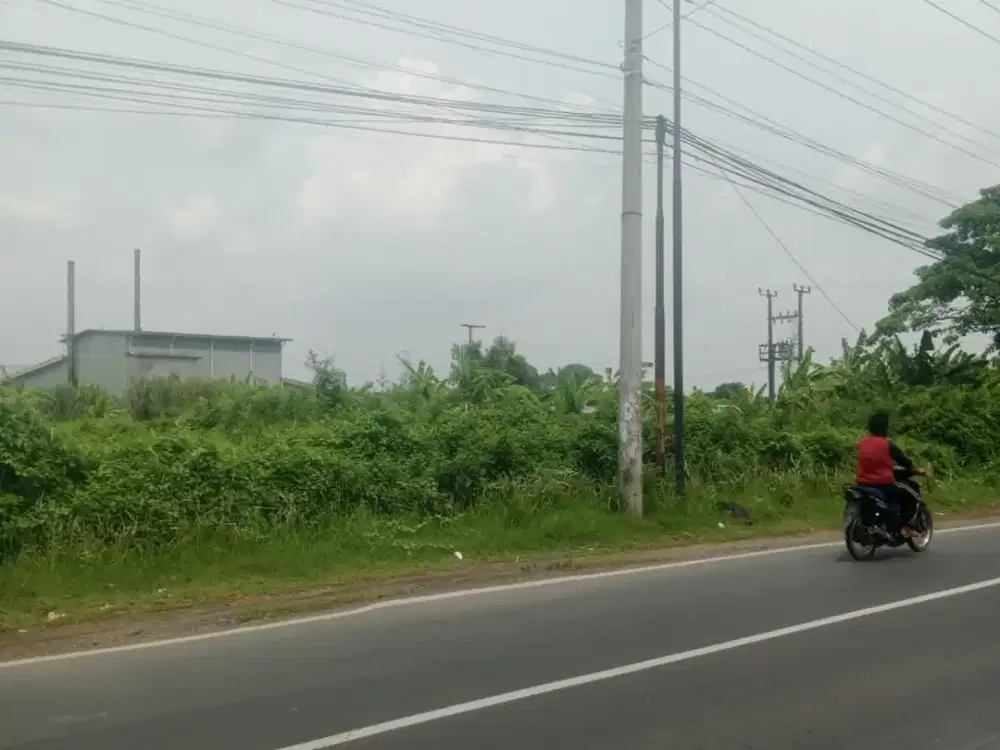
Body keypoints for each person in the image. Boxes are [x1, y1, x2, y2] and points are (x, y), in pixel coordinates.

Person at [856, 411, 921, 538]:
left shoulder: (862, 443)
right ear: (885, 428)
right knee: (911, 495)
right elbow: (903, 460)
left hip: (862, 483)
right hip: (882, 484)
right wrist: (912, 469)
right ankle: (905, 527)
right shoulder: (887, 444)